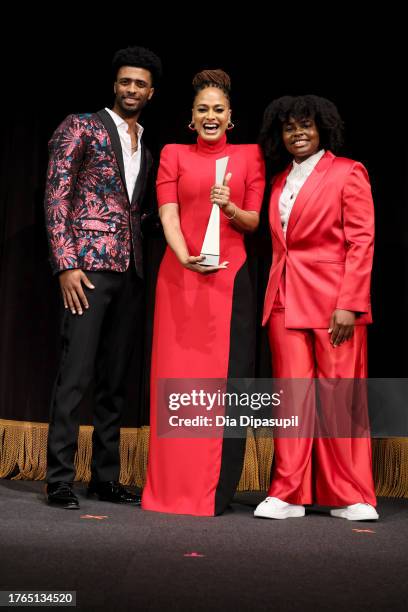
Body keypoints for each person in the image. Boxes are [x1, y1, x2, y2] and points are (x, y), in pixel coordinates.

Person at [142, 69, 265, 516]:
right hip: (180, 280)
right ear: (190, 117)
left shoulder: (250, 156)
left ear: (230, 116)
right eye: (202, 110)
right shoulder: (174, 153)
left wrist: (230, 207)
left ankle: (215, 492)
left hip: (229, 283)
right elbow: (167, 211)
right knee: (177, 385)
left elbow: (254, 221)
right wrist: (182, 255)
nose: (210, 116)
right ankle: (168, 489)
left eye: (218, 109)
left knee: (223, 389)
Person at [44, 45, 162, 509]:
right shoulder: (81, 126)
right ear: (115, 84)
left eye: (140, 83)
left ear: (152, 92)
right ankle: (59, 478)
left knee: (115, 381)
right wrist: (65, 264)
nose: (132, 89)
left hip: (130, 272)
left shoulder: (145, 146)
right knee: (75, 375)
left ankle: (105, 478)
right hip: (87, 269)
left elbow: (136, 212)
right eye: (125, 81)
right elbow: (57, 196)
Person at [254, 95, 378, 521]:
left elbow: (362, 242)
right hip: (285, 300)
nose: (298, 133)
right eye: (289, 128)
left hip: (334, 305)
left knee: (338, 399)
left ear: (322, 128)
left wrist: (351, 304)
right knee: (292, 400)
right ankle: (288, 493)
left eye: (305, 125)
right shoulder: (277, 181)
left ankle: (351, 495)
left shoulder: (348, 172)